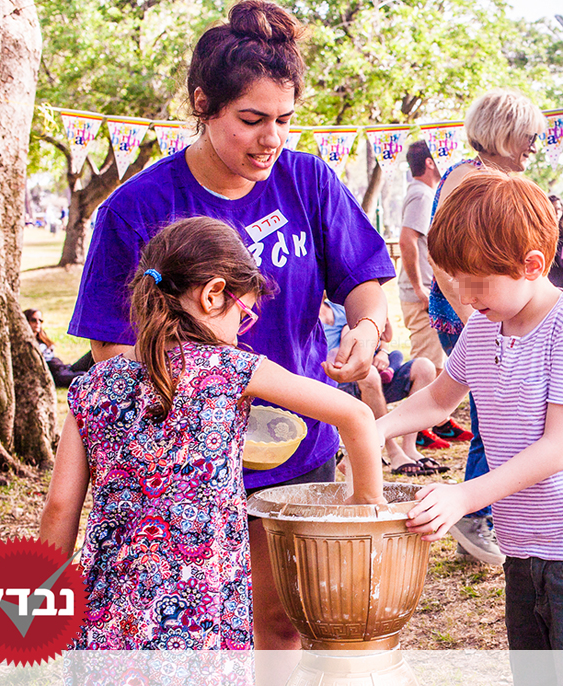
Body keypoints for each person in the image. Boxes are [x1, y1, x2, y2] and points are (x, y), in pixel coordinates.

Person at [65, 1, 394, 650]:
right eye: (251, 120)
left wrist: (366, 328)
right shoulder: (135, 209)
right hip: (182, 464)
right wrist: (201, 399)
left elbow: (363, 281)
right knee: (190, 632)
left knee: (280, 625)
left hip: (296, 451)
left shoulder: (310, 182)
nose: (271, 138)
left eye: (284, 121)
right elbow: (111, 348)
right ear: (202, 104)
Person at [39, 217, 385, 649]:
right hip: (203, 615)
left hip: (105, 616)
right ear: (212, 294)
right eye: (244, 316)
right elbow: (355, 415)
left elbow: (58, 507)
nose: (243, 331)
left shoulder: (92, 385)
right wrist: (366, 506)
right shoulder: (233, 369)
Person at [378, 171, 563, 678]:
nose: (468, 299)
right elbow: (437, 399)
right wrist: (375, 427)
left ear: (532, 265)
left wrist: (464, 497)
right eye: (458, 284)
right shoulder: (483, 325)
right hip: (522, 544)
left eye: (476, 285)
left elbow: (559, 448)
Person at [425, 89, 546, 565]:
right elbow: (442, 254)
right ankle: (476, 518)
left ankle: (482, 518)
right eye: (529, 136)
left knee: (498, 417)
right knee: (493, 418)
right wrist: (474, 318)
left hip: (488, 314)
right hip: (470, 314)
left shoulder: (491, 177)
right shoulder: (465, 177)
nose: (535, 145)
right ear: (504, 131)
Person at [320, 300, 444, 476]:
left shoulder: (341, 308)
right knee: (369, 374)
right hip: (335, 384)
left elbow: (380, 335)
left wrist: (383, 353)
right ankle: (393, 452)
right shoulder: (305, 316)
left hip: (368, 372)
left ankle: (409, 448)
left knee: (425, 367)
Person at [397, 140, 446, 374]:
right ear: (429, 162)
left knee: (437, 365)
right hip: (422, 295)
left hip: (428, 291)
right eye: (441, 156)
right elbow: (407, 240)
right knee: (427, 369)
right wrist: (420, 289)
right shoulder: (422, 195)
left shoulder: (424, 194)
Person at [24, 308, 93, 387]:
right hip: (56, 375)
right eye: (33, 320)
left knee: (91, 355)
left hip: (64, 368)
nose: (37, 323)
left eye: (40, 320)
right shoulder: (26, 343)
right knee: (83, 376)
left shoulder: (42, 338)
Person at [546, 194, 563, 289]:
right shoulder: (538, 234)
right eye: (553, 209)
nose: (557, 212)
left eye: (559, 209)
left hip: (559, 284)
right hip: (542, 284)